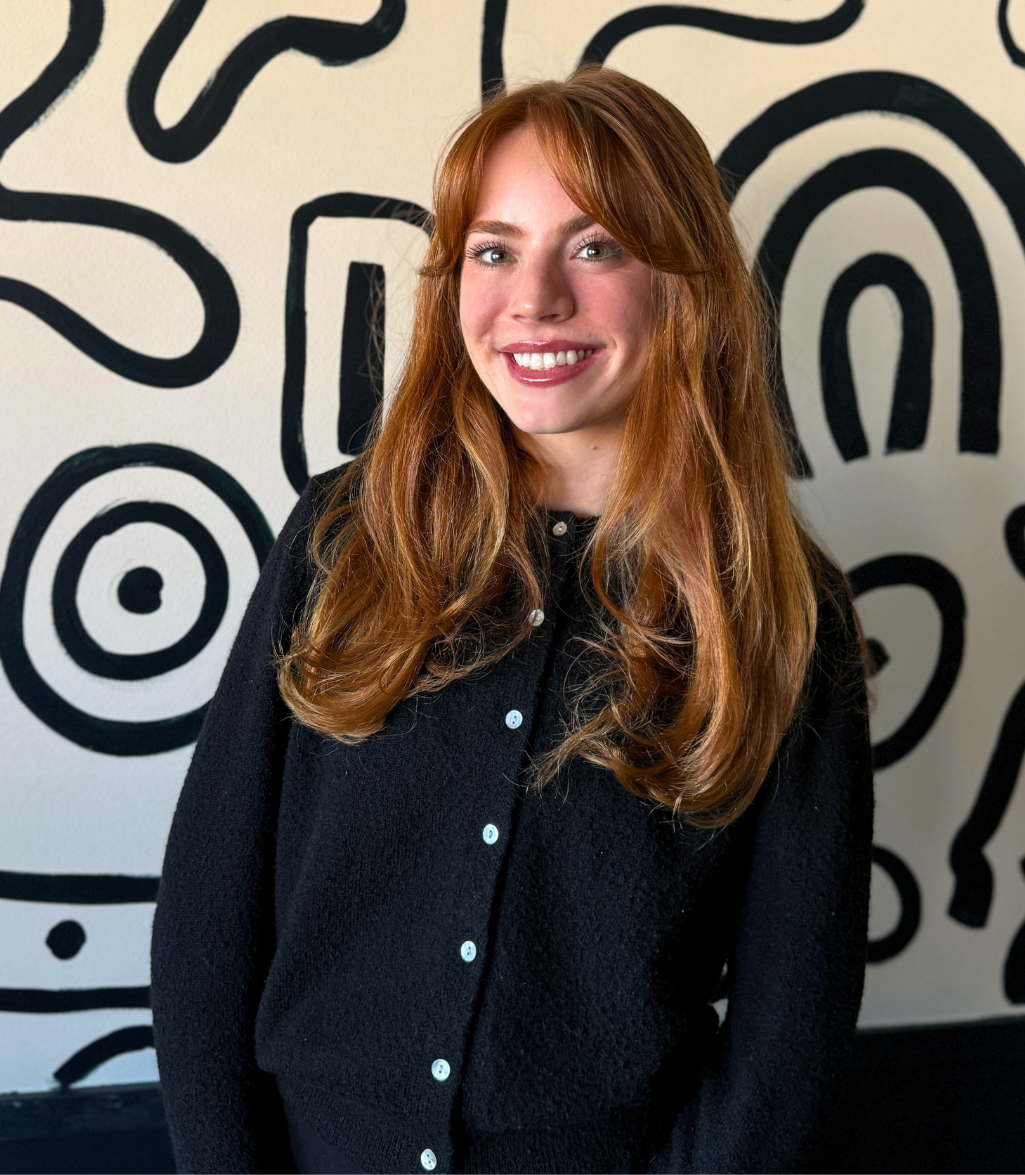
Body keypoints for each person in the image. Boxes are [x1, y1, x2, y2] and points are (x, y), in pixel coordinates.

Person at [151, 65, 872, 1175]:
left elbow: (789, 1036)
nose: (534, 298)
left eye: (596, 247)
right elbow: (208, 913)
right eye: (494, 251)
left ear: (684, 283)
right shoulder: (346, 536)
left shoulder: (776, 609)